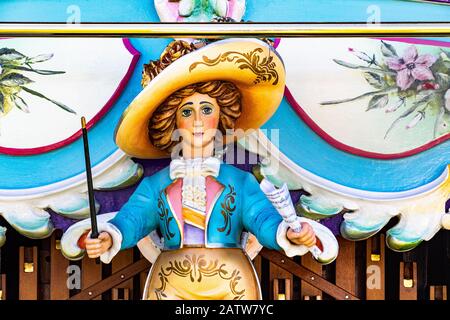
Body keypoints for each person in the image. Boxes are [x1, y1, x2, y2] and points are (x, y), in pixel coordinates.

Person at [85, 38, 319, 300]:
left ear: (221, 115)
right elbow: (133, 220)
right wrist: (108, 236)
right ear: (172, 120)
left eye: (206, 109)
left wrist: (288, 233)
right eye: (187, 111)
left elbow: (262, 219)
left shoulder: (240, 182)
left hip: (230, 285)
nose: (197, 121)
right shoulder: (155, 185)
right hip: (170, 283)